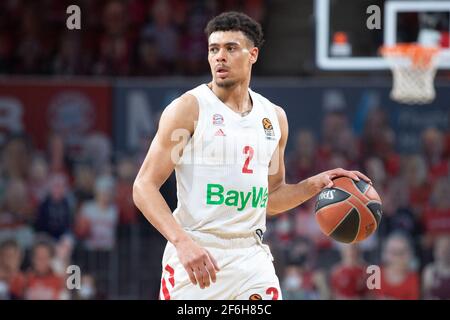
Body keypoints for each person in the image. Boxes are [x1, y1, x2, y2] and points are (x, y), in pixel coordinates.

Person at [133, 11, 371, 300]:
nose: (220, 56)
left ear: (253, 54)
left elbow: (271, 199)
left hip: (251, 257)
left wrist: (316, 184)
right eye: (213, 49)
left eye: (230, 48)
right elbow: (143, 186)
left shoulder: (274, 117)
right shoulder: (188, 109)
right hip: (197, 252)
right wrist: (182, 242)